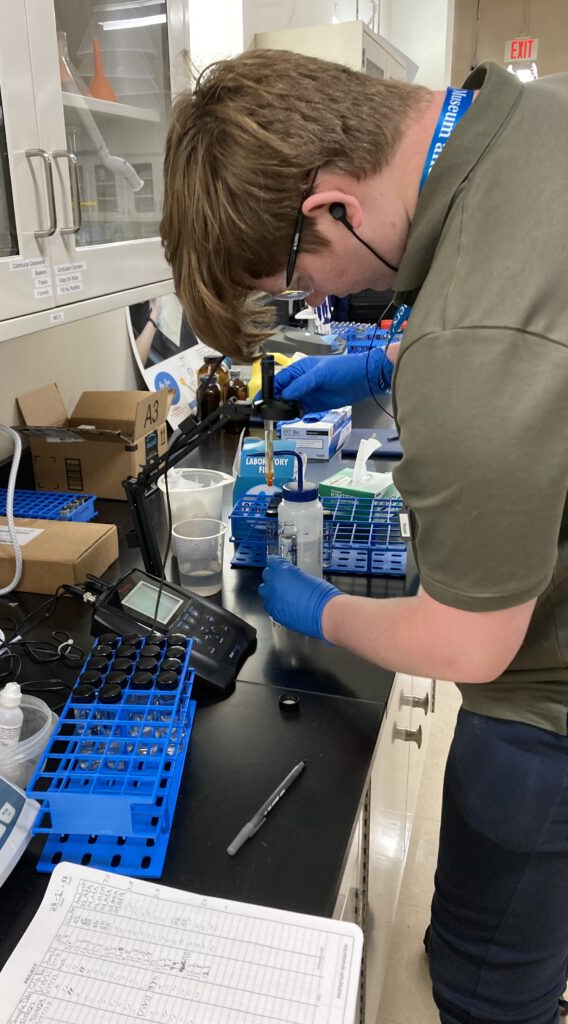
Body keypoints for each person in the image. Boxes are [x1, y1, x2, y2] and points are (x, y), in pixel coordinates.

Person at [160, 49, 568, 1024]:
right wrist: (385, 367)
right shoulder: (527, 118)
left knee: (482, 983)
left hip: (550, 712)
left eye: (297, 279)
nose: (316, 306)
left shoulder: (469, 346)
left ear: (330, 207)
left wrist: (320, 609)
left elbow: (469, 641)